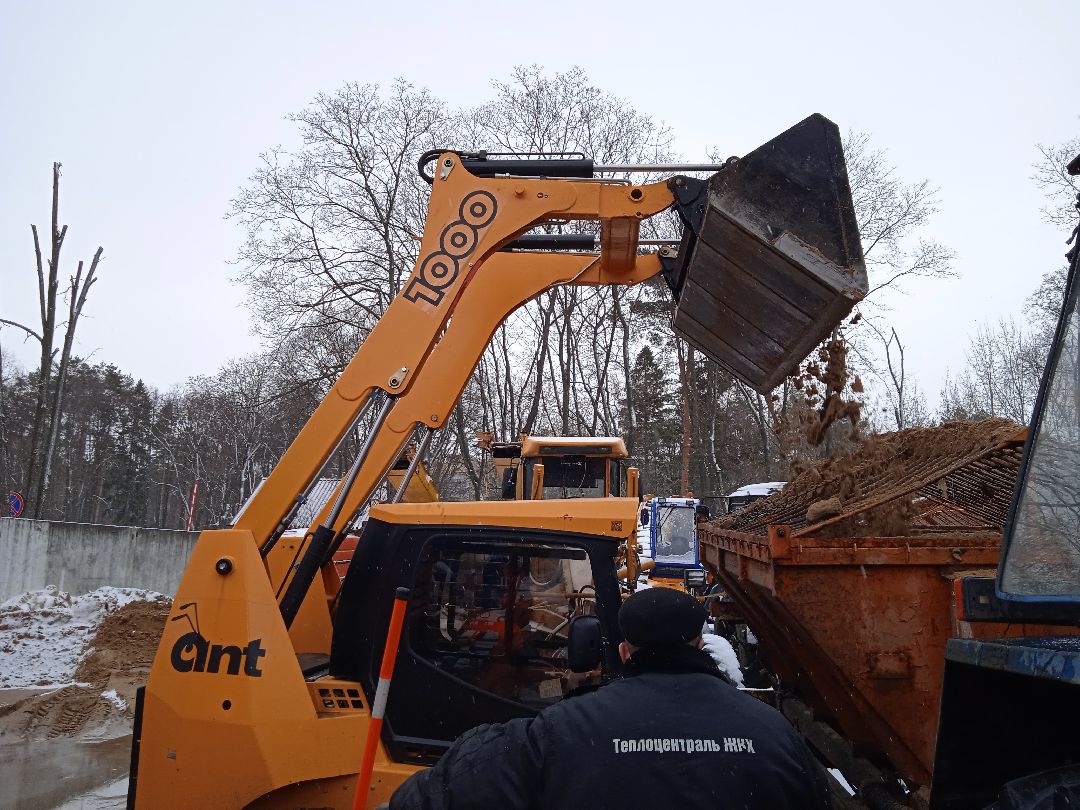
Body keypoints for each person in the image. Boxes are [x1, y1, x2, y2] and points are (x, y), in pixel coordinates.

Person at [389, 588, 832, 809]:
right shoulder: (774, 735)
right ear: (700, 646)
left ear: (623, 650)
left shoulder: (554, 734)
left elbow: (432, 797)